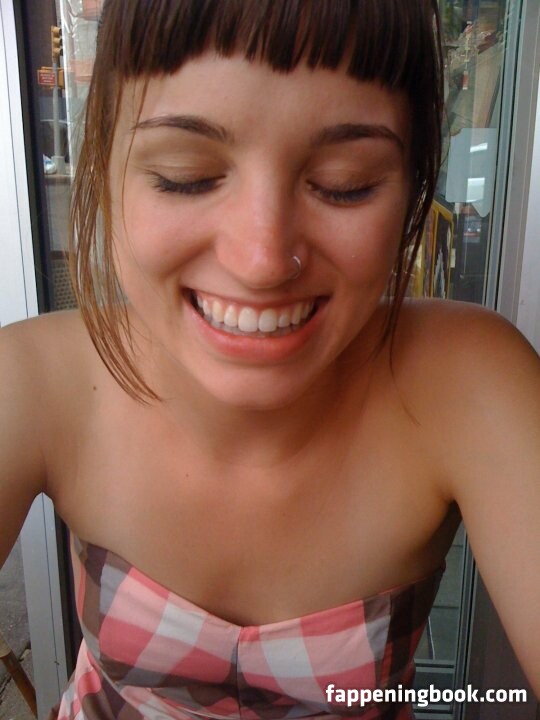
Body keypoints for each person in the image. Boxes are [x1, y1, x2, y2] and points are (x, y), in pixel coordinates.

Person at [1, 1, 539, 718]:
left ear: (414, 186)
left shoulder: (466, 384)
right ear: (104, 165)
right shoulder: (37, 382)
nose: (261, 261)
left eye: (345, 183)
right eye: (186, 175)